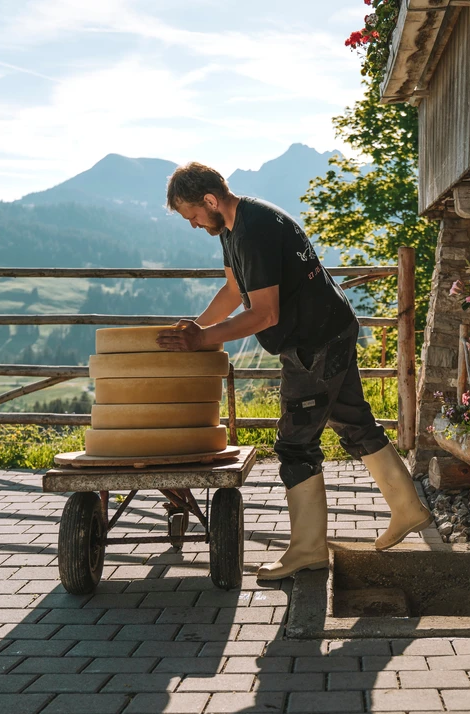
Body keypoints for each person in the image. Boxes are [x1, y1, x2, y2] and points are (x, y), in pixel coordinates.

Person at [157, 162, 431, 581]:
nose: (194, 224)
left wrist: (204, 339)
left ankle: (308, 550)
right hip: (330, 327)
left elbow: (264, 314)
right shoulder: (233, 226)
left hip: (314, 341)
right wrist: (196, 328)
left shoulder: (253, 231)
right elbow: (234, 289)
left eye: (192, 215)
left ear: (209, 200)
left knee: (295, 445)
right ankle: (408, 508)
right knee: (353, 421)